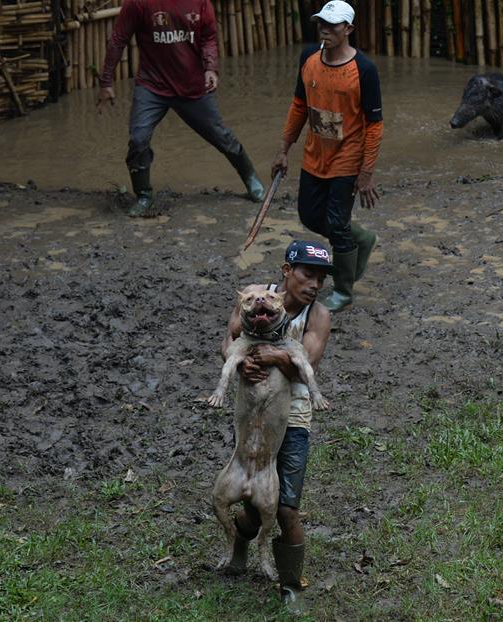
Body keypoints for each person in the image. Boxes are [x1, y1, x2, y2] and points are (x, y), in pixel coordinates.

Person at [220, 240, 332, 607]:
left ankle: (291, 587)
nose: (315, 284)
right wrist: (241, 363)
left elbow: (306, 366)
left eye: (321, 278)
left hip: (293, 418)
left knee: (286, 508)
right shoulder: (255, 296)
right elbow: (229, 339)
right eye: (307, 274)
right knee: (253, 504)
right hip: (253, 413)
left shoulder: (318, 316)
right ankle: (240, 547)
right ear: (286, 271)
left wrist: (275, 355)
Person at [96, 0, 265, 217]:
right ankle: (144, 195)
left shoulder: (200, 3)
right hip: (152, 86)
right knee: (138, 139)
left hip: (192, 87)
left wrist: (211, 68)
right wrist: (106, 82)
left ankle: (250, 178)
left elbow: (208, 38)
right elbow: (119, 38)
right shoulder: (138, 3)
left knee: (221, 136)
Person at [272, 0, 383, 312]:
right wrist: (284, 150)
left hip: (347, 158)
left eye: (332, 25)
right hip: (314, 154)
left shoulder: (364, 70)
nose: (325, 29)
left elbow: (374, 126)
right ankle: (360, 239)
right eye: (321, 22)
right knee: (309, 215)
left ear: (348, 29)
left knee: (335, 224)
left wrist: (366, 171)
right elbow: (298, 106)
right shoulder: (309, 59)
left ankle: (343, 291)